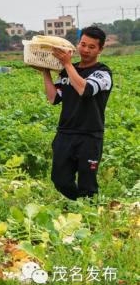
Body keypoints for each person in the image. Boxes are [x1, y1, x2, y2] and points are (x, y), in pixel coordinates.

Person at [37, 26, 113, 200]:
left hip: (90, 136)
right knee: (59, 179)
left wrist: (68, 64)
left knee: (87, 184)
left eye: (91, 47)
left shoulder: (103, 73)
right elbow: (53, 98)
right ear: (78, 44)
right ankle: (78, 204)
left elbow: (84, 89)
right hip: (65, 133)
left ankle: (89, 214)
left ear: (100, 49)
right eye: (83, 44)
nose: (85, 50)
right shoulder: (66, 71)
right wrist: (46, 72)